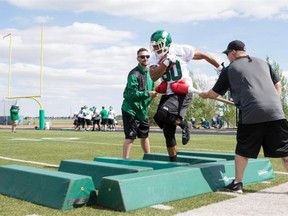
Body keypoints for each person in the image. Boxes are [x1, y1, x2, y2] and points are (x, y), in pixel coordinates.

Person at [199, 40, 288, 193]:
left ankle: (237, 184)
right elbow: (278, 85)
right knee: (285, 150)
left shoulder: (230, 69)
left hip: (251, 113)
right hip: (276, 111)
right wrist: (274, 100)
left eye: (227, 54)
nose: (228, 57)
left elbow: (213, 94)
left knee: (242, 149)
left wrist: (204, 95)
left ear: (233, 52)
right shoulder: (263, 63)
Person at [149, 30, 222, 162]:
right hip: (170, 92)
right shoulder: (155, 58)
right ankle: (174, 161)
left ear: (166, 43)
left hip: (183, 90)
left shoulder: (180, 50)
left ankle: (184, 124)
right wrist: (165, 63)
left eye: (157, 45)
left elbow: (204, 55)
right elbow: (154, 76)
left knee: (163, 114)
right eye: (153, 45)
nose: (155, 48)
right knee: (167, 130)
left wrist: (220, 68)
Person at [122, 47, 157, 159]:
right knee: (130, 137)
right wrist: (147, 94)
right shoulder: (133, 74)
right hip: (130, 109)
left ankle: (148, 158)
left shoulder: (151, 74)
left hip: (142, 111)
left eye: (147, 56)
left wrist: (149, 100)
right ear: (138, 59)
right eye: (142, 57)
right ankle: (124, 161)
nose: (145, 58)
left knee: (144, 135)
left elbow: (152, 93)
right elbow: (130, 95)